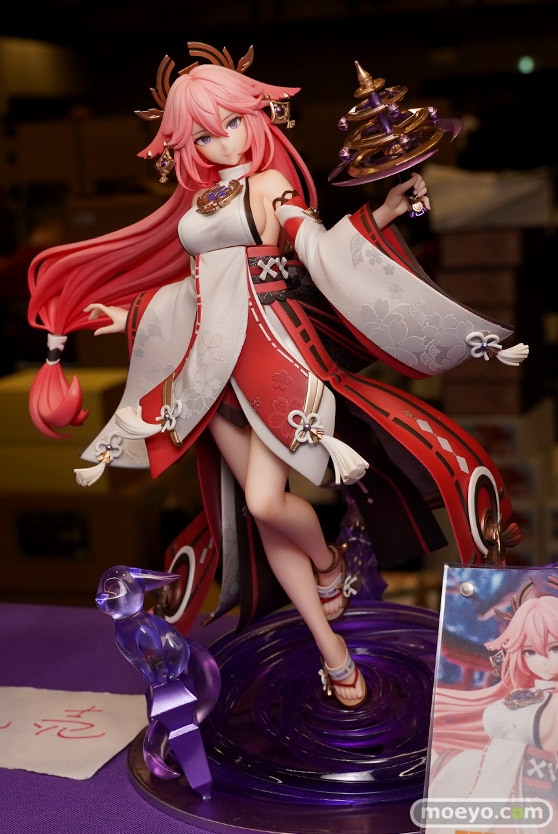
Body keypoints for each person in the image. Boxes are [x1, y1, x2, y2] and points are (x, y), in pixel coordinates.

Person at [27, 43, 526, 709]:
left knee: (267, 503)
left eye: (230, 123)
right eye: (202, 135)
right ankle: (333, 654)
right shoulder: (199, 200)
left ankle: (327, 562)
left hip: (270, 358)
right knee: (261, 519)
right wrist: (129, 315)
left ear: (256, 117)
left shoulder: (267, 186)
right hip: (208, 371)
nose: (219, 141)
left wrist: (380, 214)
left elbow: (314, 247)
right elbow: (196, 288)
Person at [428, 588, 558, 831]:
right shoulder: (529, 694)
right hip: (500, 787)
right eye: (530, 651)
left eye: (555, 648)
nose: (542, 660)